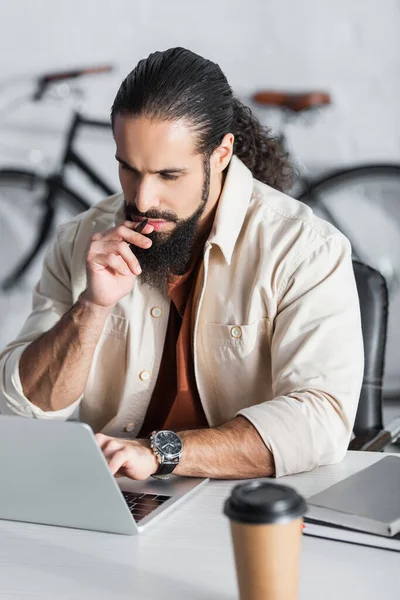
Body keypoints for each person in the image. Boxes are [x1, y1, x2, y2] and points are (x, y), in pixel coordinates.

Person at [0, 47, 363, 480]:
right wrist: (91, 308)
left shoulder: (305, 249)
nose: (142, 199)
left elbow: (320, 420)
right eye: (128, 169)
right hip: (120, 497)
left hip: (248, 500)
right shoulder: (82, 239)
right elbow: (23, 408)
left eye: (169, 175)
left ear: (222, 153)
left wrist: (161, 452)